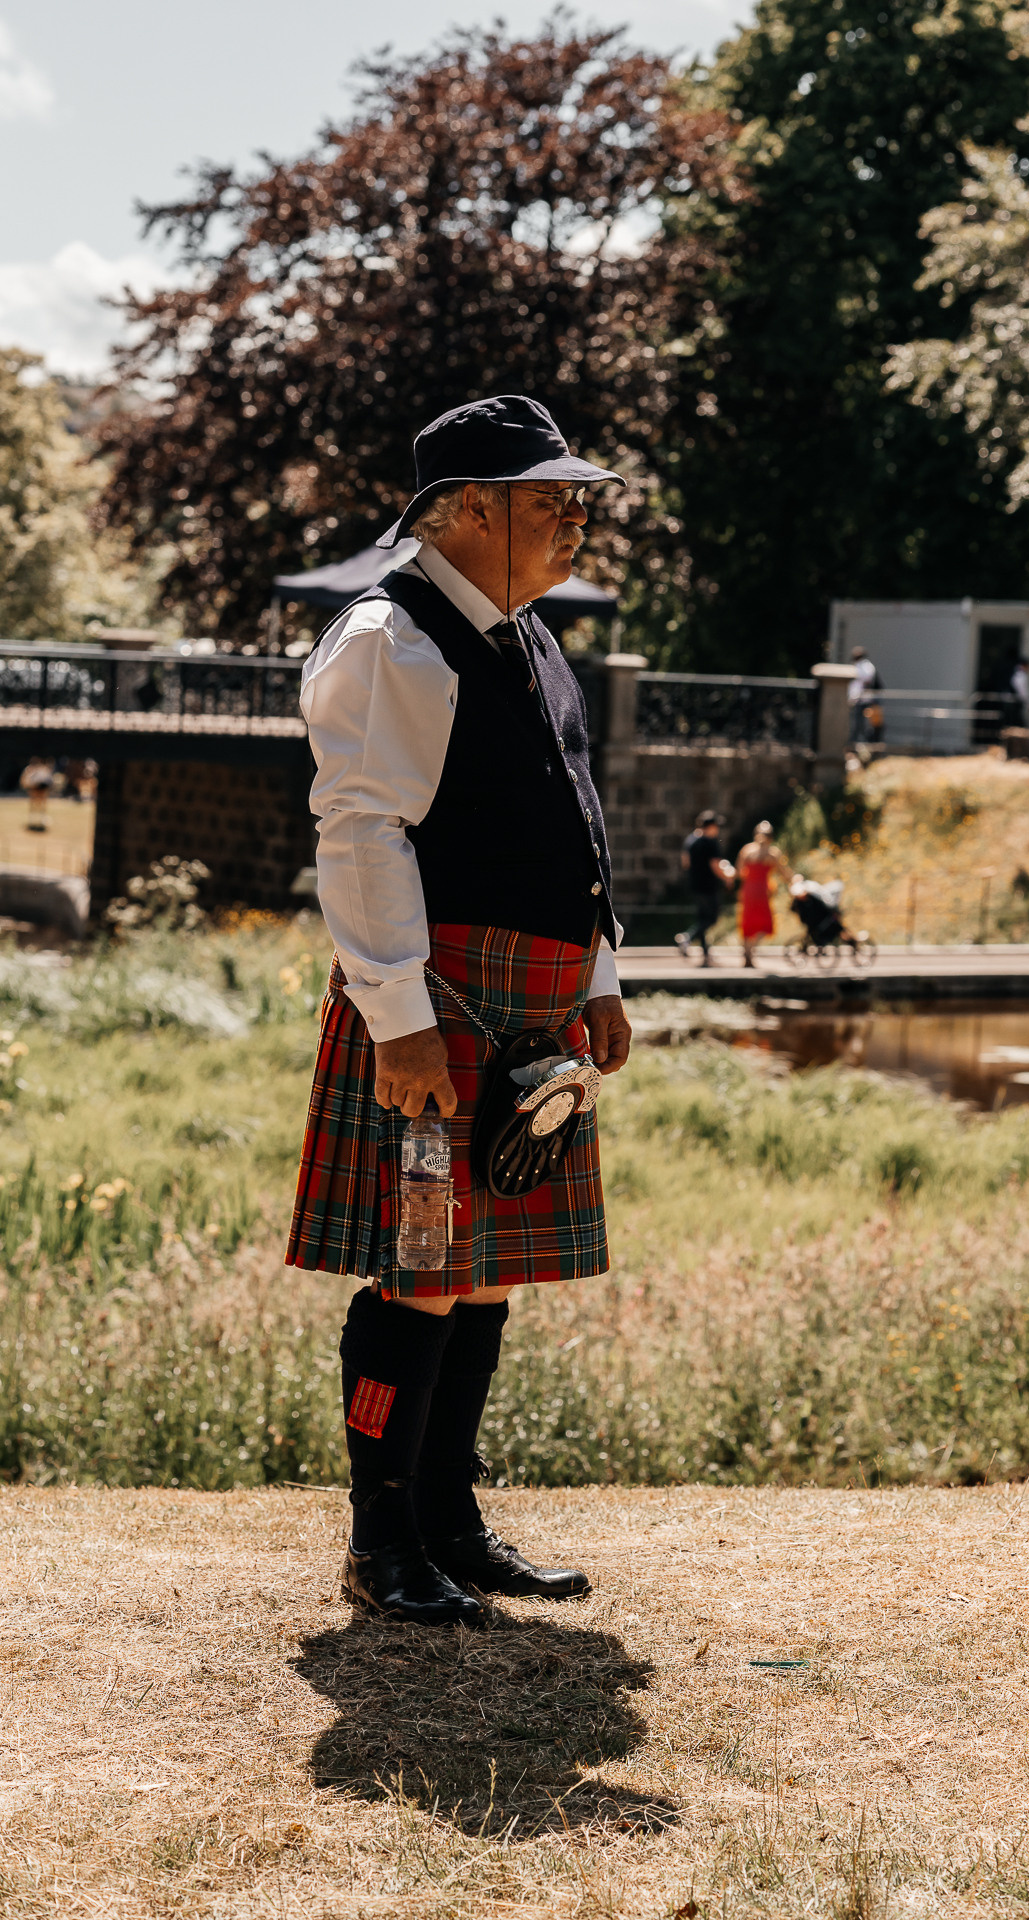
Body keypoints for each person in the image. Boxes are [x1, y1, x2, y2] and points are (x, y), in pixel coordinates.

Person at [286, 394, 633, 1628]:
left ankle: (450, 1520)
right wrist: (395, 1016)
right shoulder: (390, 635)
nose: (576, 518)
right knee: (422, 1266)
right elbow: (362, 826)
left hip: (529, 1002)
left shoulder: (529, 637)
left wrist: (595, 982)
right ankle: (381, 1539)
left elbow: (572, 821)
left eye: (578, 497)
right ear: (468, 511)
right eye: (552, 498)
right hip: (438, 997)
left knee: (481, 1275)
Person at [676, 810, 735, 965]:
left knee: (702, 917)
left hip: (695, 884)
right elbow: (715, 865)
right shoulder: (710, 842)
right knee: (712, 918)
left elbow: (685, 863)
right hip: (709, 885)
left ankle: (705, 950)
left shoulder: (690, 840)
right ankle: (687, 937)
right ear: (711, 826)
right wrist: (727, 878)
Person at [735, 820, 791, 968]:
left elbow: (740, 872)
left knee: (751, 922)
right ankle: (749, 951)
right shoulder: (772, 853)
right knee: (762, 923)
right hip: (761, 889)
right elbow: (784, 872)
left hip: (751, 889)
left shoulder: (747, 850)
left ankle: (748, 951)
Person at [846, 646, 883, 745]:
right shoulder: (857, 665)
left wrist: (858, 695)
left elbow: (867, 682)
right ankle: (855, 743)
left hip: (865, 701)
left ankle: (865, 743)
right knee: (857, 724)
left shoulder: (866, 666)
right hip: (857, 700)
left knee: (864, 725)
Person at [19, 757, 53, 831]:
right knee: (34, 804)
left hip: (42, 788)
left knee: (42, 804)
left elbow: (48, 779)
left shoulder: (43, 769)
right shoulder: (29, 770)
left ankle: (41, 819)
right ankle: (33, 819)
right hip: (34, 788)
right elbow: (25, 781)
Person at [1009, 656, 1029, 731]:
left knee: (1015, 724)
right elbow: (1023, 692)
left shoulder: (1015, 672)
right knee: (1019, 726)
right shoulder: (1021, 675)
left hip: (1013, 704)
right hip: (1015, 704)